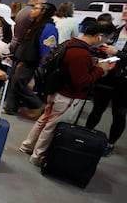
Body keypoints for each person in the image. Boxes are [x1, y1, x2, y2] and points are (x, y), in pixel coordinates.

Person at [20, 22, 116, 166]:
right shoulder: (81, 53)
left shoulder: (71, 44)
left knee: (45, 120)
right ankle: (38, 156)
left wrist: (92, 63)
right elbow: (82, 81)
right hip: (68, 96)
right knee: (52, 127)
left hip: (56, 91)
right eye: (107, 38)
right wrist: (101, 69)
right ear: (99, 36)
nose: (106, 42)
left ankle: (28, 146)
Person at [5, 2, 58, 118]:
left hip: (31, 63)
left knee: (20, 85)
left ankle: (37, 105)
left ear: (43, 12)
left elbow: (47, 51)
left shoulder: (48, 28)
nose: (32, 11)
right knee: (15, 83)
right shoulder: (34, 25)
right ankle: (11, 108)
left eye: (36, 9)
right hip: (22, 59)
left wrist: (40, 69)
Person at [85, 22, 127, 156]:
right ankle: (86, 133)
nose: (125, 11)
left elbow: (118, 53)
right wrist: (103, 52)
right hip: (106, 76)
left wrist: (118, 53)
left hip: (124, 82)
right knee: (97, 108)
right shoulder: (116, 29)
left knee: (119, 114)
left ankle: (110, 143)